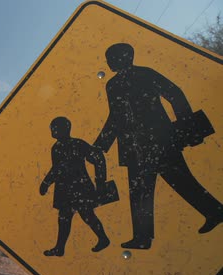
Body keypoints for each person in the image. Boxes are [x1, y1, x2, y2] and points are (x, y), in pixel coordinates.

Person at [94, 43, 223, 250]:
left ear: (123, 58)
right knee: (139, 192)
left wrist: (187, 126)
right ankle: (143, 238)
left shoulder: (146, 74)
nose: (108, 62)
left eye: (111, 58)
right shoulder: (113, 85)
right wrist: (100, 146)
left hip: (160, 140)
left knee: (182, 181)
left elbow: (175, 93)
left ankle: (215, 212)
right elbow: (116, 118)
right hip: (135, 148)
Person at [40, 117, 110, 257]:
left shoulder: (78, 144)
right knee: (64, 218)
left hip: (80, 188)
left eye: (54, 128)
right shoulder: (56, 148)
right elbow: (57, 169)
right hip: (65, 189)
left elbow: (98, 158)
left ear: (64, 129)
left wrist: (100, 181)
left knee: (87, 215)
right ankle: (60, 248)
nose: (52, 131)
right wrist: (46, 183)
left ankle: (103, 239)